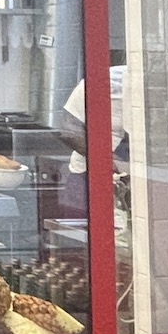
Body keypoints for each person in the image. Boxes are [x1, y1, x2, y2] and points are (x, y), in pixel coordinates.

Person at [57, 64, 128, 219]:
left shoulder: (166, 86)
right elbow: (68, 130)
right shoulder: (105, 79)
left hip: (140, 181)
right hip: (88, 177)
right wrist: (107, 160)